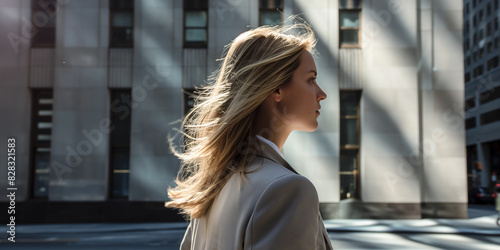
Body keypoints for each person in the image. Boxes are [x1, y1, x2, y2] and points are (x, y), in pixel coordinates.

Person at [165, 21, 332, 250]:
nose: (321, 94)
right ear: (275, 89)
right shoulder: (288, 190)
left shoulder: (213, 187)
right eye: (311, 79)